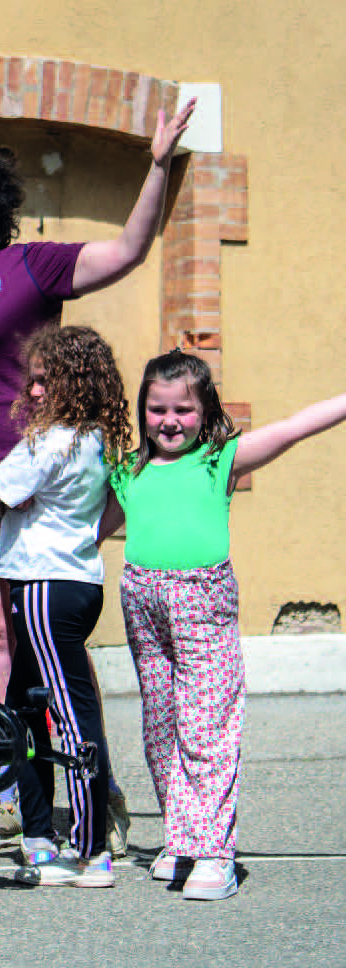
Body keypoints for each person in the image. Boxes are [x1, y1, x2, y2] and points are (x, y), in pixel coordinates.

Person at [0, 100, 196, 716]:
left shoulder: (31, 264)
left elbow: (129, 250)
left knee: (45, 642)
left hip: (29, 480)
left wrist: (158, 166)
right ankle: (5, 768)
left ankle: (84, 762)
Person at [101, 352, 346, 900]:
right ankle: (182, 838)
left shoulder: (220, 460)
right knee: (161, 725)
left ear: (206, 410)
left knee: (205, 724)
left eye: (183, 409)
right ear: (142, 410)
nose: (170, 421)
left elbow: (294, 428)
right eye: (158, 409)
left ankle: (215, 852)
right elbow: (88, 532)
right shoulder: (130, 469)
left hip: (201, 598)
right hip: (142, 599)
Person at [0, 327, 132, 888]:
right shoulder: (102, 440)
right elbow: (116, 508)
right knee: (24, 708)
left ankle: (91, 852)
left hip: (43, 587)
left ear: (75, 383)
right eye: (32, 381)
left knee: (69, 715)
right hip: (75, 581)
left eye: (46, 381)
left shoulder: (48, 442)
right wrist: (81, 536)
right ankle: (39, 838)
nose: (34, 391)